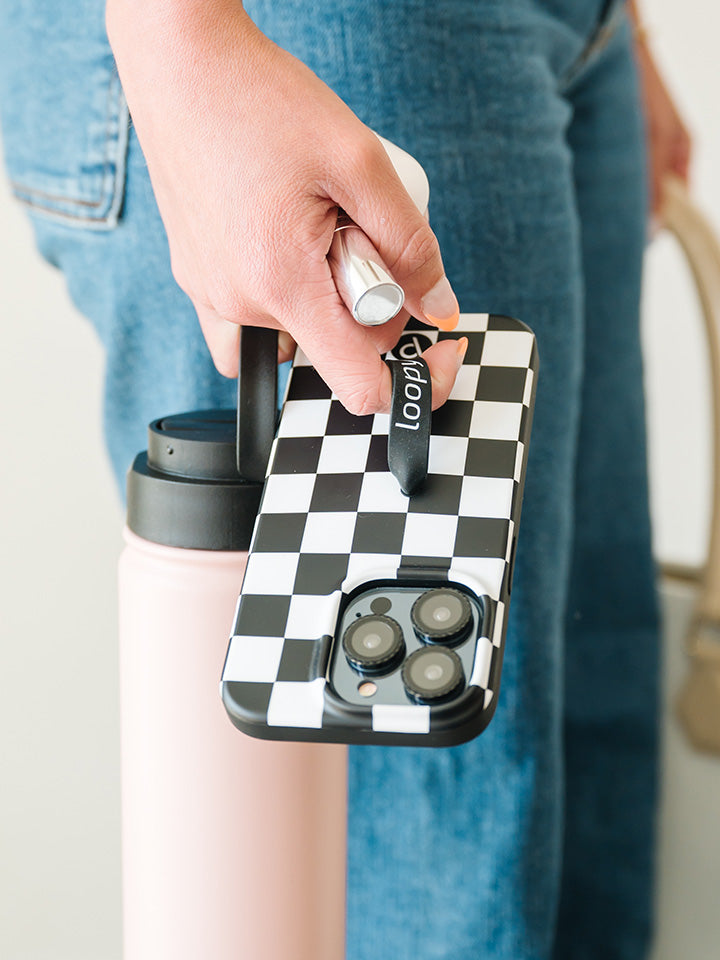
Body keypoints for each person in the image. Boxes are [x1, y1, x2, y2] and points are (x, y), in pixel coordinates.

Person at [0, 0, 691, 956]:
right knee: (435, 865)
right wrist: (187, 47)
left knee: (574, 788)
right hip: (309, 35)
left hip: (555, 35)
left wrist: (620, 30)